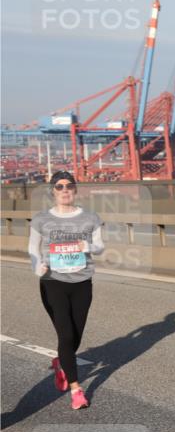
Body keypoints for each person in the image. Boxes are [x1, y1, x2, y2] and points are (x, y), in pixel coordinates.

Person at [27, 171, 105, 410]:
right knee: (66, 335)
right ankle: (76, 389)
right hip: (53, 281)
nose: (64, 190)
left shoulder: (90, 217)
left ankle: (62, 362)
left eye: (69, 186)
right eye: (59, 186)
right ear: (53, 191)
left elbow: (100, 247)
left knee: (76, 335)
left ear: (75, 189)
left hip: (82, 281)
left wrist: (87, 245)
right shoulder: (41, 219)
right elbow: (32, 248)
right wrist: (37, 266)